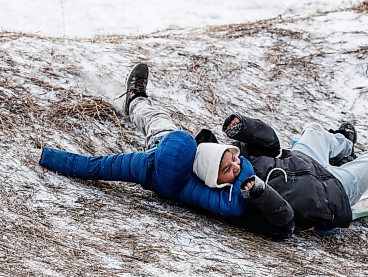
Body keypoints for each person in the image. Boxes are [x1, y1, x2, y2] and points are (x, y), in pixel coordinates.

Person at [39, 63, 254, 218]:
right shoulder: (190, 186)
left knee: (155, 118)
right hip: (164, 141)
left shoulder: (142, 165)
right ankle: (135, 99)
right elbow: (231, 206)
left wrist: (47, 156)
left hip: (163, 141)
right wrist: (245, 167)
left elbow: (93, 167)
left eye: (233, 162)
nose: (235, 166)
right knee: (156, 120)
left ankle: (135, 99)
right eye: (229, 166)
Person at [193, 114, 368, 239]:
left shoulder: (245, 158)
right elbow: (284, 226)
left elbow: (272, 146)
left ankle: (345, 144)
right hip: (332, 192)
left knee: (313, 129)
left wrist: (245, 128)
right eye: (227, 170)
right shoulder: (241, 201)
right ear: (216, 182)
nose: (236, 166)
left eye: (233, 158)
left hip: (304, 158)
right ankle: (344, 161)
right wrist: (261, 193)